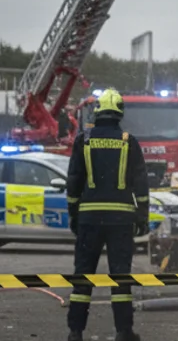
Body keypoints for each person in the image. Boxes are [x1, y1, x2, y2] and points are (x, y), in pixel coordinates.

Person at [65, 88, 149, 341]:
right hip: (121, 221)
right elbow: (141, 183)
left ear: (98, 112)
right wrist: (142, 217)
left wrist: (73, 213)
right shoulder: (128, 141)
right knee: (120, 277)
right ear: (119, 112)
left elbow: (74, 180)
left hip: (89, 219)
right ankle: (124, 331)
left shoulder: (84, 140)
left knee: (83, 275)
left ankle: (75, 331)